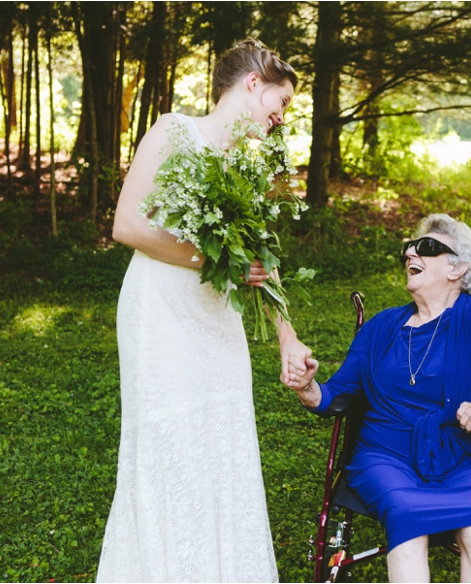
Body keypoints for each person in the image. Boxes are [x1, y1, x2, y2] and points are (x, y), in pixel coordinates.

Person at [97, 39, 309, 583]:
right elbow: (128, 226)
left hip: (218, 318)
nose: (280, 119)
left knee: (223, 438)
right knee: (169, 440)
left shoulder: (247, 163)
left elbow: (262, 256)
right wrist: (212, 262)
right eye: (280, 104)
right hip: (160, 310)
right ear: (253, 83)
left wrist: (288, 339)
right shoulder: (173, 131)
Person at [283, 214, 471, 583]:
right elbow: (333, 397)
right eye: (408, 248)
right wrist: (306, 386)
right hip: (387, 456)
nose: (411, 251)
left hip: (467, 457)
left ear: (458, 268)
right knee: (409, 524)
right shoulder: (382, 326)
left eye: (427, 248)